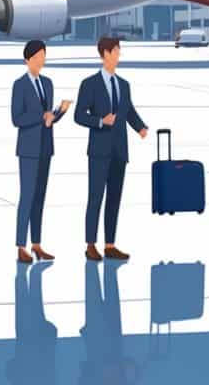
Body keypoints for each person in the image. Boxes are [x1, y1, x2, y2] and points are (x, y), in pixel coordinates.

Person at [74, 37, 147, 262]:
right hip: (99, 151)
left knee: (114, 198)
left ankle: (110, 244)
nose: (118, 55)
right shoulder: (90, 84)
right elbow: (79, 115)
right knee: (95, 197)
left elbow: (128, 112)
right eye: (116, 51)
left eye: (119, 51)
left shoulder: (123, 85)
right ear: (105, 54)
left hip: (119, 151)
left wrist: (140, 127)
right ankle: (90, 245)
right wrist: (100, 121)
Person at [11, 40, 71, 264]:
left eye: (44, 55)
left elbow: (49, 119)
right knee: (26, 197)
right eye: (38, 56)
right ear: (28, 59)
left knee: (39, 198)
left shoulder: (48, 83)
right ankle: (20, 246)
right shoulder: (20, 85)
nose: (42, 60)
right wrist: (41, 118)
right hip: (28, 149)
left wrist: (59, 113)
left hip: (46, 147)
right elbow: (17, 118)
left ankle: (36, 244)